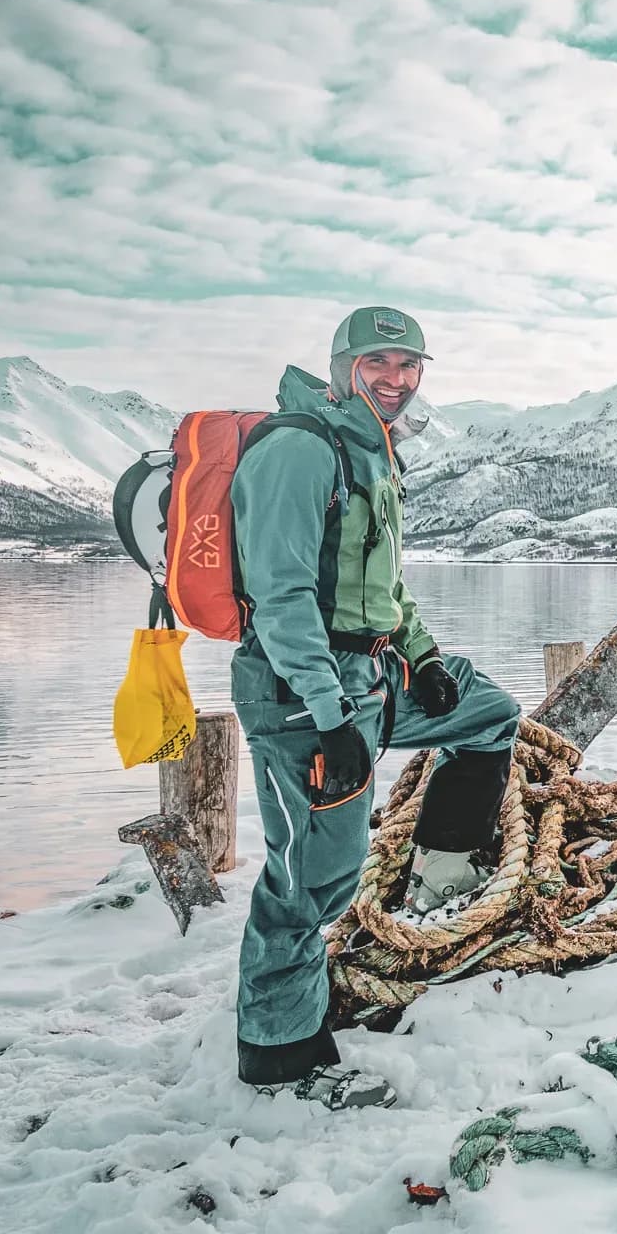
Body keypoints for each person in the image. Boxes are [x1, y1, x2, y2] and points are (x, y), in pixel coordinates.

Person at [231, 307, 523, 1109]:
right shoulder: (298, 449)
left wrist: (425, 659)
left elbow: (385, 589)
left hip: (372, 677)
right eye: (379, 363)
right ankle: (278, 1052)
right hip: (302, 694)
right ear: (342, 365)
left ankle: (438, 873)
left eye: (410, 365)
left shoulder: (374, 452)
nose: (396, 380)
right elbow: (282, 598)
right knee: (311, 879)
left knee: (490, 712)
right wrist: (329, 716)